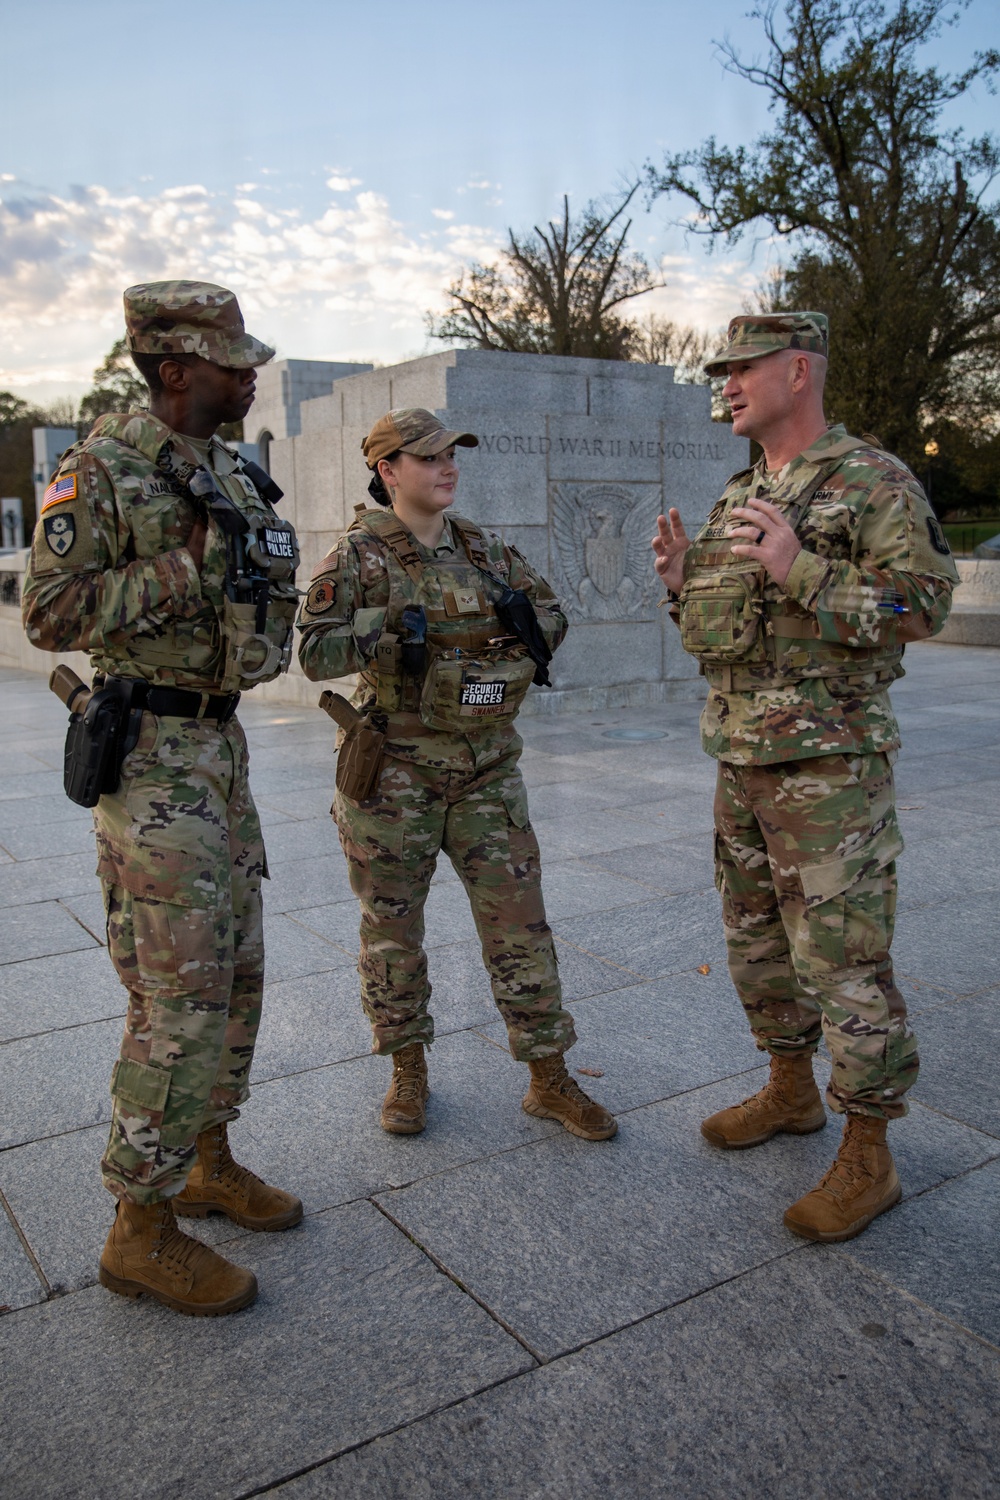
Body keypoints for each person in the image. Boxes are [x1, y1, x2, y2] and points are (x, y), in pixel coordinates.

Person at [22, 281, 303, 1316]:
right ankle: (138, 1227)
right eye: (234, 359)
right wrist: (179, 573)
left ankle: (206, 1161)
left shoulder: (229, 467)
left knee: (236, 972)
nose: (251, 371)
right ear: (174, 366)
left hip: (218, 753)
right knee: (176, 995)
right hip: (150, 762)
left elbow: (260, 583)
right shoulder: (99, 466)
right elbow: (46, 614)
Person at [652, 312, 958, 1242]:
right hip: (739, 758)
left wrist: (804, 568)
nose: (728, 385)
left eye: (742, 369)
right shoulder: (741, 491)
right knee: (754, 945)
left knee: (843, 958)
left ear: (798, 370)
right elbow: (724, 632)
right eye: (723, 373)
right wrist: (679, 585)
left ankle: (871, 1151)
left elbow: (926, 604)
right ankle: (790, 1090)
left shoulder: (873, 479)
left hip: (829, 768)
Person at [297, 407, 616, 1141]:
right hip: (394, 775)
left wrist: (511, 640)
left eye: (453, 455)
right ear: (388, 471)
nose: (448, 467)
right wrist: (387, 626)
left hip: (485, 770)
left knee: (520, 927)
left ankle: (548, 1075)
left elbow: (553, 618)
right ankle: (407, 1069)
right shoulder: (356, 557)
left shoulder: (485, 549)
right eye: (430, 456)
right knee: (392, 931)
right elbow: (312, 654)